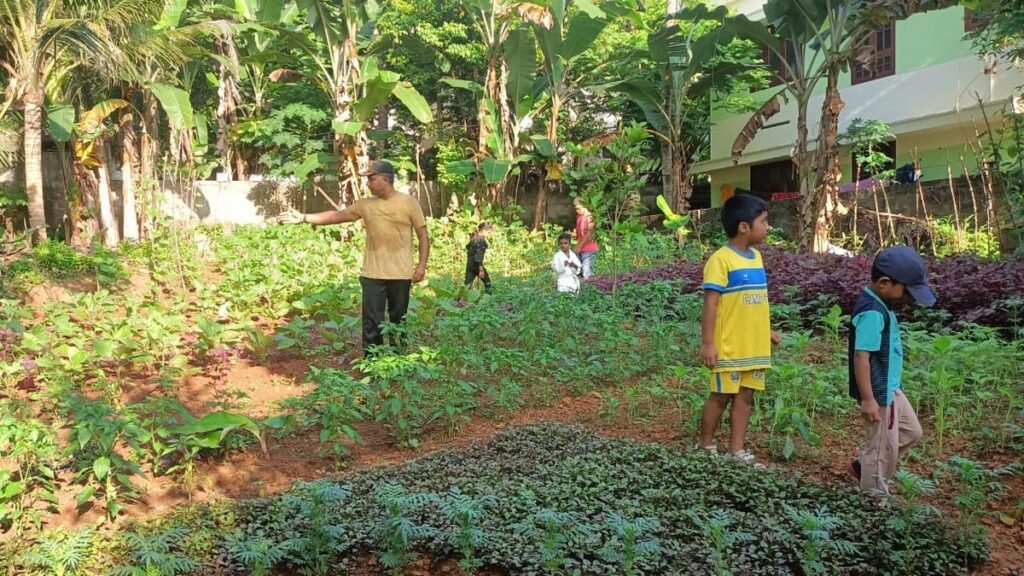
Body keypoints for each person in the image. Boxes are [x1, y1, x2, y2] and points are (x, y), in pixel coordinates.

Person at [280, 160, 430, 356]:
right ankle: (372, 361)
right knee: (372, 321)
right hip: (372, 275)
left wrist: (421, 266)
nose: (368, 183)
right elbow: (336, 216)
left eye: (372, 179)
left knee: (398, 319)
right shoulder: (365, 205)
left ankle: (398, 360)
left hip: (401, 274)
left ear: (386, 179)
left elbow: (423, 235)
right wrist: (303, 217)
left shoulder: (409, 202)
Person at [697, 194, 781, 465]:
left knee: (746, 397)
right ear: (744, 227)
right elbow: (711, 305)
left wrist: (765, 331)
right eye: (764, 221)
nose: (767, 227)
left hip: (753, 347)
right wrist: (708, 343)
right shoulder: (721, 260)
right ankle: (706, 444)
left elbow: (755, 302)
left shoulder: (756, 258)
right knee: (721, 396)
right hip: (730, 348)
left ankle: (736, 450)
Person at [847, 246, 934, 501]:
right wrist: (868, 399)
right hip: (878, 392)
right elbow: (861, 356)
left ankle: (864, 467)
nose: (908, 297)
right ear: (885, 283)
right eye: (906, 291)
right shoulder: (873, 312)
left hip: (890, 386)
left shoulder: (882, 304)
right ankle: (874, 501)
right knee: (880, 448)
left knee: (911, 432)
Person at [464, 221, 494, 293]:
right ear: (484, 230)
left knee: (467, 285)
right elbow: (478, 256)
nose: (488, 234)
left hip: (470, 264)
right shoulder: (480, 240)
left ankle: (461, 299)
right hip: (477, 265)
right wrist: (481, 269)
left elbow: (467, 247)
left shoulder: (474, 238)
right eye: (488, 232)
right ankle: (489, 299)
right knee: (487, 282)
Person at [573, 198, 598, 279]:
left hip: (589, 248)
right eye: (576, 209)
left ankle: (589, 287)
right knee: (578, 270)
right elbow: (580, 233)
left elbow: (589, 234)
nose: (577, 211)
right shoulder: (579, 216)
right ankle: (580, 288)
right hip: (580, 247)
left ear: (585, 206)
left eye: (579, 208)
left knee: (586, 270)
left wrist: (578, 247)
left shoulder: (590, 217)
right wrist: (572, 234)